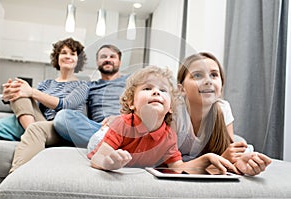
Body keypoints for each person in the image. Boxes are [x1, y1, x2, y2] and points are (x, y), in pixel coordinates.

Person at [88, 66, 239, 174]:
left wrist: (206, 159)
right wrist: (108, 162)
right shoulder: (123, 124)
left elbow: (178, 167)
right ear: (131, 103)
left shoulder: (169, 137)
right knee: (101, 133)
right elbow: (98, 157)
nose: (156, 92)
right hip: (100, 141)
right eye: (147, 88)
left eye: (163, 90)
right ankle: (100, 128)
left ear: (171, 107)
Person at [0, 37, 89, 172]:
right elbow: (30, 104)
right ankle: (33, 130)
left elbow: (66, 105)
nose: (68, 56)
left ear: (78, 60)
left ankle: (15, 177)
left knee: (29, 99)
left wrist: (32, 92)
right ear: (57, 57)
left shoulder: (82, 85)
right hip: (44, 124)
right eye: (64, 52)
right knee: (19, 89)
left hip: (65, 129)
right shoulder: (45, 84)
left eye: (72, 53)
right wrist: (8, 96)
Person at [175, 52, 272, 175]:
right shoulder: (175, 114)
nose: (208, 81)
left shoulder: (223, 108)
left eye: (214, 75)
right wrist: (222, 160)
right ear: (181, 89)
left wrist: (239, 165)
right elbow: (172, 166)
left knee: (242, 146)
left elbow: (229, 152)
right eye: (198, 75)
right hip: (187, 159)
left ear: (221, 87)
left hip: (212, 148)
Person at [53, 44, 129, 148]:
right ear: (97, 63)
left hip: (126, 126)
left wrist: (121, 119)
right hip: (98, 129)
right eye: (103, 57)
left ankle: (109, 143)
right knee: (63, 117)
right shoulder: (89, 86)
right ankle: (110, 142)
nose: (108, 59)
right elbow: (66, 103)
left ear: (119, 62)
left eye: (112, 57)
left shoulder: (131, 81)